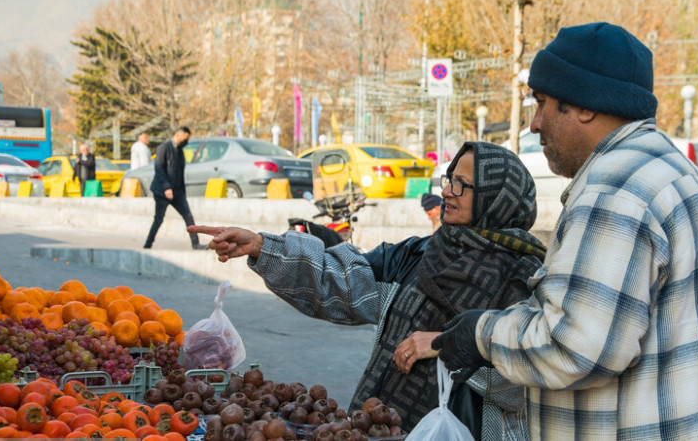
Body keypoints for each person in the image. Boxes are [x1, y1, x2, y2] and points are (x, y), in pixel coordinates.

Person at [431, 22, 698, 439]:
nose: (534, 124)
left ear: (584, 106)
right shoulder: (669, 165)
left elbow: (574, 347)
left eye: (542, 103)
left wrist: (482, 333)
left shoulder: (615, 188)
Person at [190, 141, 546, 438]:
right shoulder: (418, 255)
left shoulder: (526, 279)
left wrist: (447, 343)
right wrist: (262, 246)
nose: (447, 191)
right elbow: (336, 279)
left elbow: (528, 377)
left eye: (462, 185)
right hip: (379, 428)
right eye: (449, 179)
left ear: (495, 198)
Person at [145, 127, 205, 250]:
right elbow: (159, 168)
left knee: (188, 216)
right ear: (178, 135)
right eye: (185, 138)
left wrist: (181, 192)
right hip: (162, 191)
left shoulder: (179, 151)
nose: (186, 141)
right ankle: (147, 245)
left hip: (177, 192)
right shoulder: (164, 148)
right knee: (158, 219)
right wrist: (166, 187)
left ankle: (196, 244)